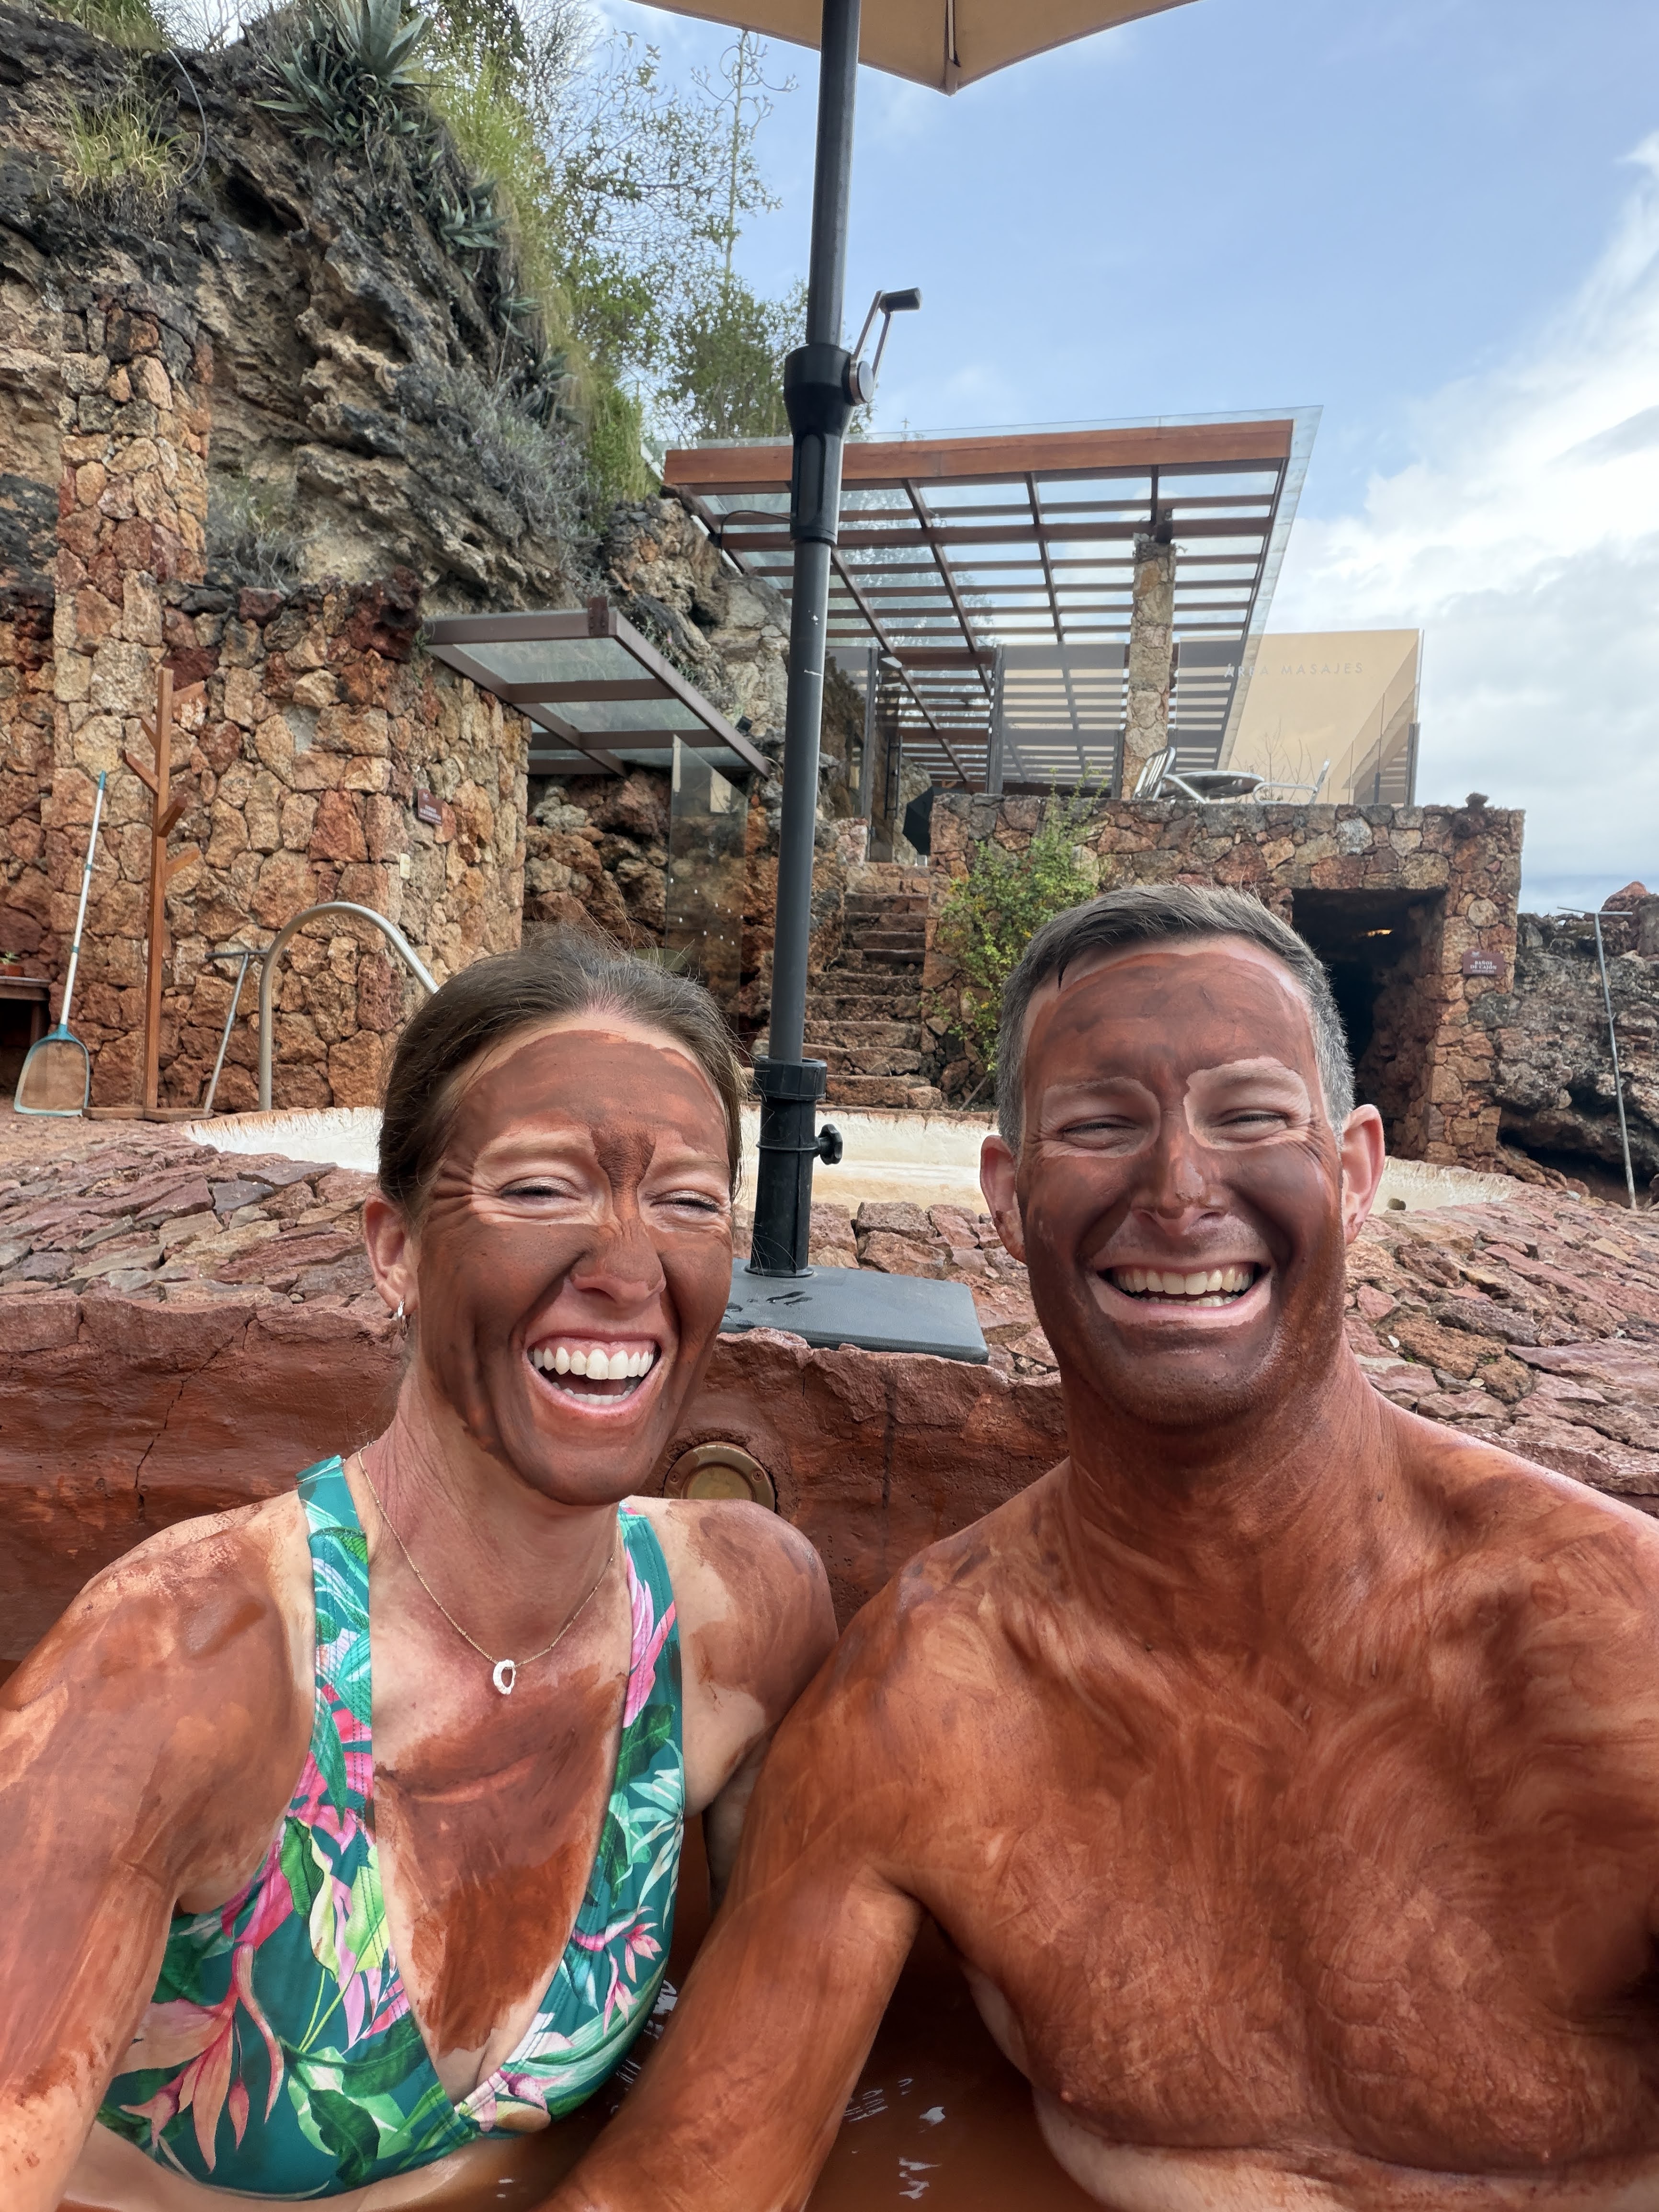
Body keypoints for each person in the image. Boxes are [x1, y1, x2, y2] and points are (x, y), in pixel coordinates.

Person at [545, 883, 1659, 2212]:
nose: (1181, 1188)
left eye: (1250, 1114)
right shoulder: (930, 1699)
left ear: (1356, 1174)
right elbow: (684, 2185)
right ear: (1010, 1199)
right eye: (1101, 1123)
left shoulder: (1612, 1649)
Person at [0, 933, 836, 2212]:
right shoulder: (177, 1665)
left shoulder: (741, 1621)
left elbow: (742, 2093)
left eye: (685, 1201)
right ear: (394, 1249)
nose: (626, 1270)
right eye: (543, 1189)